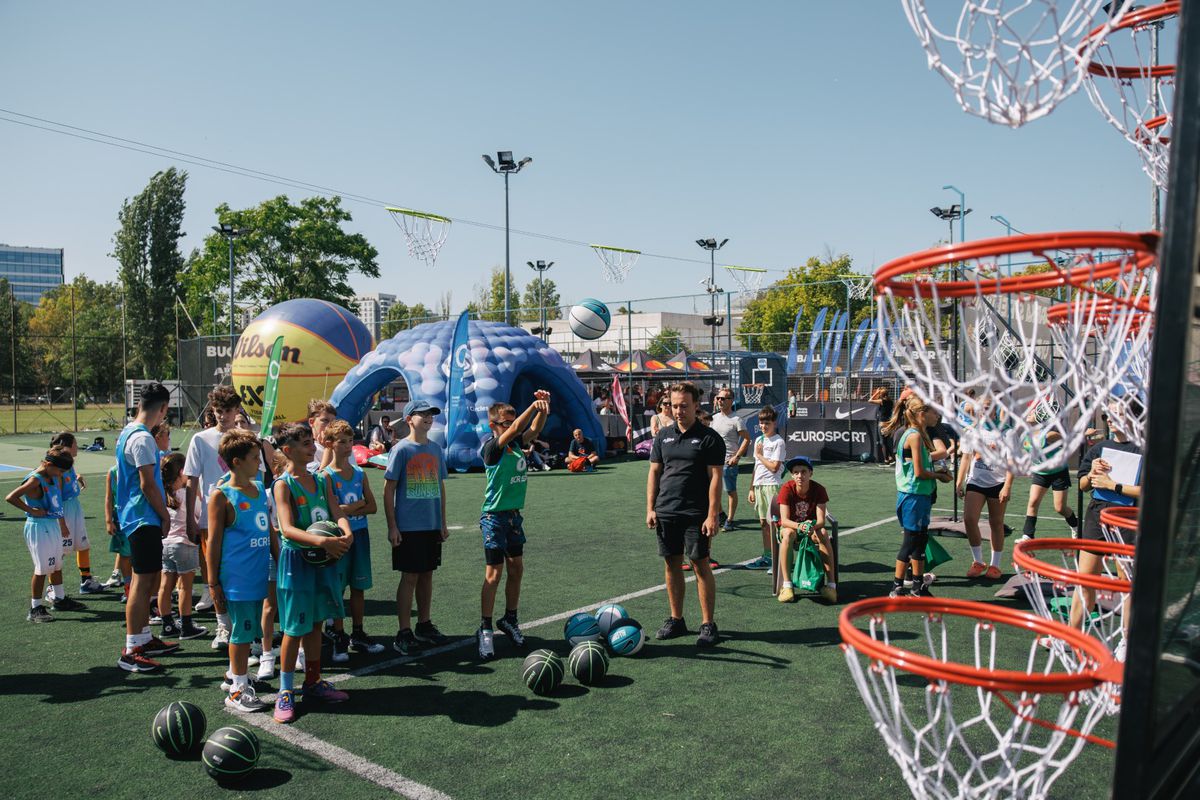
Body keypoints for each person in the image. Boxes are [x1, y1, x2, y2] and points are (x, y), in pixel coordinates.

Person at [271, 422, 352, 723]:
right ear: (288, 450)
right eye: (305, 443)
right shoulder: (283, 484)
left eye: (310, 441)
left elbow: (337, 510)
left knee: (317, 622)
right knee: (294, 629)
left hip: (323, 561)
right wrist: (323, 541)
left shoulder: (322, 480)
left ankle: (313, 682)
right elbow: (287, 528)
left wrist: (345, 533)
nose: (311, 447)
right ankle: (284, 690)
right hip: (297, 562)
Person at [646, 381, 725, 647]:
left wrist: (713, 514)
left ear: (695, 406)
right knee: (671, 565)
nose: (678, 411)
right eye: (674, 405)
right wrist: (650, 508)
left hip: (696, 513)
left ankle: (707, 624)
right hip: (666, 511)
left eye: (683, 406)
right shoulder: (663, 435)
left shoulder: (709, 438)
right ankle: (676, 619)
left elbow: (715, 478)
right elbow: (655, 473)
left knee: (700, 565)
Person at [476, 392, 550, 661]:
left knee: (516, 568)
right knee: (493, 575)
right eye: (505, 423)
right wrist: (531, 404)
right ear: (493, 426)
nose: (511, 426)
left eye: (510, 421)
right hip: (494, 517)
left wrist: (543, 407)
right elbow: (520, 426)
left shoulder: (517, 443)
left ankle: (509, 620)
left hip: (513, 517)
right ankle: (485, 628)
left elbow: (533, 429)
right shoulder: (492, 448)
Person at [207, 428, 275, 713]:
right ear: (236, 461)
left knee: (248, 632)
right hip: (237, 578)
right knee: (244, 633)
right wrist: (213, 584)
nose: (259, 462)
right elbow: (213, 543)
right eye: (253, 458)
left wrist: (279, 556)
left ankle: (234, 676)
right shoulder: (222, 496)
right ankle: (237, 690)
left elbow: (268, 529)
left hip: (258, 574)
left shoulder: (259, 488)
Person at [114, 381, 180, 672]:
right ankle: (131, 650)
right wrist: (164, 515)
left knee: (148, 579)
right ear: (163, 408)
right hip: (142, 518)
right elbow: (146, 483)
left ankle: (143, 637)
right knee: (140, 585)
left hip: (140, 516)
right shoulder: (142, 438)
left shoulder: (129, 432)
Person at [1073, 398, 1143, 649]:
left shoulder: (1144, 450)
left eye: (1117, 414)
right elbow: (1082, 486)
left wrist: (1114, 486)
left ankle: (1126, 644)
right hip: (1096, 516)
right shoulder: (1099, 448)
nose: (1110, 419)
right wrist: (1091, 474)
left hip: (1128, 519)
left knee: (1127, 585)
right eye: (1108, 415)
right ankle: (1071, 637)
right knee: (1085, 580)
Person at [385, 399, 450, 655]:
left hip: (430, 525)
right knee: (409, 576)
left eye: (430, 414)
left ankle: (424, 624)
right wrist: (393, 526)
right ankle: (403, 632)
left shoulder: (435, 450)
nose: (427, 418)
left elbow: (440, 487)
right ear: (409, 419)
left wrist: (442, 522)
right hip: (408, 527)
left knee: (427, 575)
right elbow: (388, 488)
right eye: (421, 414)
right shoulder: (401, 450)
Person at [322, 419, 385, 661]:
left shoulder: (359, 473)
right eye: (342, 442)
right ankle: (339, 635)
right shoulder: (325, 476)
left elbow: (373, 507)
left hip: (360, 536)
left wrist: (351, 507)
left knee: (359, 587)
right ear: (330, 444)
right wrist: (356, 506)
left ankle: (358, 633)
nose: (348, 447)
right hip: (337, 538)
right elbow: (330, 510)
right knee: (338, 589)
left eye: (350, 441)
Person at [185, 385, 242, 645]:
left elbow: (259, 476)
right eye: (219, 411)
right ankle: (223, 625)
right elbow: (191, 480)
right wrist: (190, 518)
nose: (223, 415)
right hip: (211, 518)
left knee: (241, 571)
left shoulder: (246, 439)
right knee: (213, 572)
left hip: (242, 517)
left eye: (228, 410)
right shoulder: (201, 439)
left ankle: (243, 624)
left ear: (237, 410)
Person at [881, 395, 952, 598]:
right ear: (922, 414)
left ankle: (918, 586)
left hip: (920, 495)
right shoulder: (914, 436)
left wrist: (940, 472)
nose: (937, 415)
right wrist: (940, 476)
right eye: (934, 412)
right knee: (910, 541)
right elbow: (919, 472)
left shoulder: (919, 434)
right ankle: (896, 587)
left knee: (920, 540)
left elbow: (923, 465)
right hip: (912, 496)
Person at [8, 446, 84, 622]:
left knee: (57, 565)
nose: (60, 475)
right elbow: (11, 497)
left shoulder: (51, 476)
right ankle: (35, 608)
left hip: (52, 525)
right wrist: (30, 510)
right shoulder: (35, 480)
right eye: (59, 470)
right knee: (42, 569)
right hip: (39, 527)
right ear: (48, 464)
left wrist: (62, 524)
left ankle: (60, 598)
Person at [158, 453, 208, 640]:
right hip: (184, 545)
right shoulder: (187, 494)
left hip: (166, 545)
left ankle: (167, 624)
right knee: (185, 588)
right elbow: (199, 513)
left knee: (165, 586)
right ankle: (186, 625)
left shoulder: (162, 494)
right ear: (181, 472)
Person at [776, 456, 837, 603]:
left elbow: (821, 520)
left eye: (803, 472)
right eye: (796, 472)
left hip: (811, 529)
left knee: (822, 533)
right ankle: (787, 585)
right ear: (792, 475)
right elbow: (784, 520)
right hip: (790, 528)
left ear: (811, 473)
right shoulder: (786, 489)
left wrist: (810, 526)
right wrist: (800, 526)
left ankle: (831, 586)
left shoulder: (819, 489)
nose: (800, 476)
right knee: (789, 534)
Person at [49, 432, 104, 595]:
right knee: (60, 551)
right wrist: (61, 521)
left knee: (83, 545)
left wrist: (77, 476)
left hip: (75, 508)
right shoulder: (57, 466)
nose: (77, 447)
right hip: (64, 511)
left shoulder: (68, 463)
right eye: (75, 444)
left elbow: (68, 478)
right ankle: (53, 588)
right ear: (67, 445)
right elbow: (56, 495)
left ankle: (86, 581)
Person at [1020, 410, 1079, 540]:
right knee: (1033, 502)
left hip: (1058, 472)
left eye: (1033, 412)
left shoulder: (1048, 435)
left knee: (1060, 508)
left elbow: (1067, 437)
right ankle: (1028, 535)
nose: (1028, 413)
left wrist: (1083, 434)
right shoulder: (1026, 435)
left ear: (1041, 418)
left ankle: (1076, 525)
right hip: (1040, 473)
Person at [957, 447, 1014, 580]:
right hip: (975, 481)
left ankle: (995, 565)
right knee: (969, 519)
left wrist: (1007, 486)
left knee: (996, 522)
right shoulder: (973, 431)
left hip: (999, 482)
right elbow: (966, 457)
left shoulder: (1008, 432)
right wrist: (959, 482)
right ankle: (978, 562)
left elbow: (1012, 462)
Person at [746, 405, 785, 571]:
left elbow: (775, 467)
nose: (763, 426)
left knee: (776, 524)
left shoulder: (779, 442)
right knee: (764, 523)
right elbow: (757, 467)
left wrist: (761, 455)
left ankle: (781, 558)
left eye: (767, 423)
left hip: (772, 487)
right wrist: (751, 488)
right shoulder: (759, 441)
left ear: (774, 423)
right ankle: (768, 556)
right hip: (759, 486)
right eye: (761, 423)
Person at [709, 388, 751, 531]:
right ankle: (721, 514)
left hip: (729, 462)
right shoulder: (713, 418)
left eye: (723, 398)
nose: (720, 401)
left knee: (730, 491)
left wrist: (736, 457)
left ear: (731, 400)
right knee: (712, 490)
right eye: (718, 398)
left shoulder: (736, 419)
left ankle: (730, 520)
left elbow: (746, 439)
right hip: (714, 462)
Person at [103, 464, 132, 603]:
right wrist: (109, 520)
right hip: (120, 517)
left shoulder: (140, 467)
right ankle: (128, 588)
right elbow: (109, 498)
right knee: (125, 554)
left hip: (140, 516)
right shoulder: (113, 471)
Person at [307, 399, 337, 473]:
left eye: (333, 421)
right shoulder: (307, 449)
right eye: (325, 420)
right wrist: (328, 448)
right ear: (311, 422)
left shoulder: (342, 444)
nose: (330, 425)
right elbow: (320, 479)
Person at [869, 387, 895, 465]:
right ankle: (891, 457)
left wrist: (876, 392)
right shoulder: (890, 401)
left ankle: (886, 460)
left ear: (881, 394)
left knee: (882, 442)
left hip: (882, 424)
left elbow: (870, 400)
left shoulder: (882, 401)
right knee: (887, 441)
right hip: (888, 423)